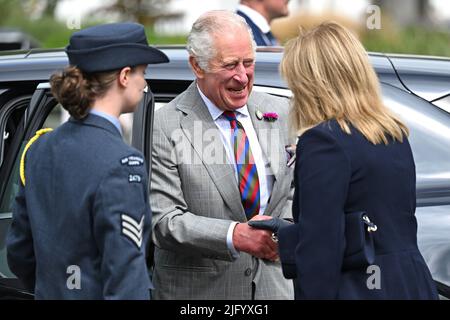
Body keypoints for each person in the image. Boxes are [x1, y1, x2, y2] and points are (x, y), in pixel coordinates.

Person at [275, 22, 439, 299]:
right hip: (410, 283)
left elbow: (321, 251)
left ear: (312, 84)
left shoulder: (323, 141)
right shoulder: (392, 132)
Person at [6, 22, 169, 299]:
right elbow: (126, 279)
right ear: (125, 76)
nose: (144, 84)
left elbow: (20, 253)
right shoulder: (122, 161)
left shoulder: (39, 148)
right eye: (143, 73)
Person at [150, 10, 295, 300]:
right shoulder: (164, 125)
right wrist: (235, 236)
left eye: (249, 63)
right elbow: (164, 220)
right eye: (230, 65)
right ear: (197, 66)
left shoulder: (280, 111)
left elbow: (294, 190)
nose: (242, 77)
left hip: (273, 290)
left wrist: (288, 233)